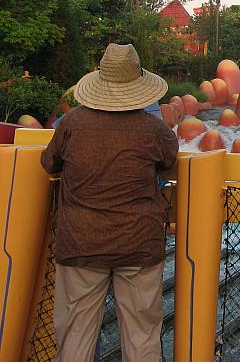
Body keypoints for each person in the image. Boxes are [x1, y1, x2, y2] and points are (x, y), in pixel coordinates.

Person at [42, 43, 178, 362]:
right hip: (138, 243)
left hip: (81, 243)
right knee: (142, 337)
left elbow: (50, 164)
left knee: (75, 336)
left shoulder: (72, 124)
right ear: (138, 84)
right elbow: (171, 160)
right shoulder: (153, 128)